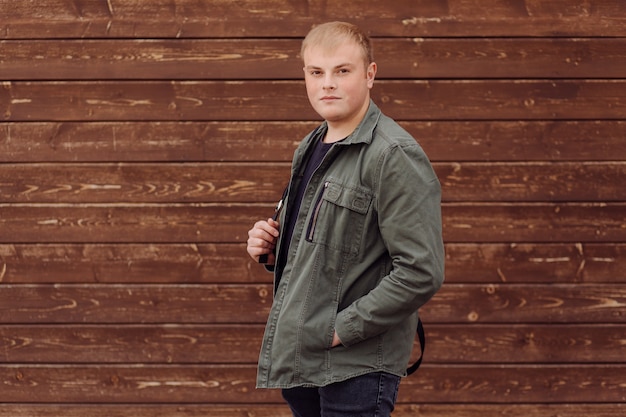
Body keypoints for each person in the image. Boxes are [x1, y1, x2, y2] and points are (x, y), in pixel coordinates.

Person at [246, 21, 444, 417]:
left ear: (370, 74)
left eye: (342, 71)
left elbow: (421, 271)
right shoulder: (312, 144)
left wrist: (340, 330)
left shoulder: (393, 155)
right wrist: (269, 245)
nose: (327, 84)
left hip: (355, 368)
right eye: (316, 72)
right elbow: (322, 242)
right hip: (303, 360)